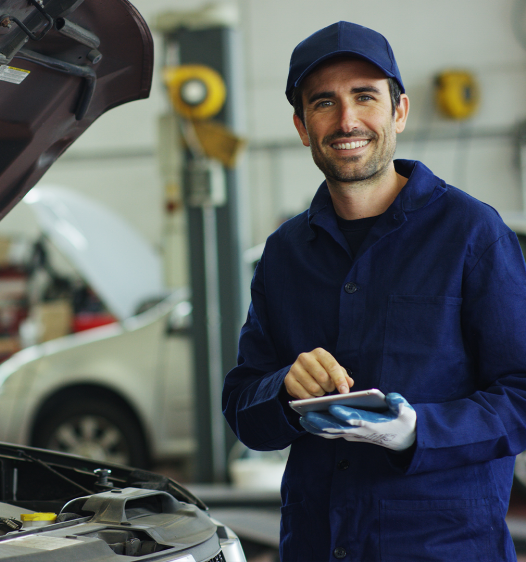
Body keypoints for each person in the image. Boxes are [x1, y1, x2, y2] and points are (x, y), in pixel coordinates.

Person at [222, 21, 526, 561]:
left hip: (441, 549)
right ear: (301, 125)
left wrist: (420, 431)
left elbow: (522, 394)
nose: (347, 120)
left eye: (365, 96)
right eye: (324, 103)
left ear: (399, 111)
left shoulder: (471, 234)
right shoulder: (284, 254)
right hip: (316, 545)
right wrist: (284, 392)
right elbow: (243, 405)